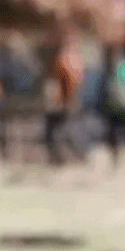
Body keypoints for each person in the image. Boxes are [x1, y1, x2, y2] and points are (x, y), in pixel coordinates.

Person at [43, 29, 85, 166]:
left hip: (62, 102)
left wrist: (65, 100)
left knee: (57, 131)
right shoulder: (75, 59)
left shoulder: (65, 59)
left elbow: (67, 82)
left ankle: (69, 156)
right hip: (66, 101)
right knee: (63, 130)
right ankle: (75, 155)